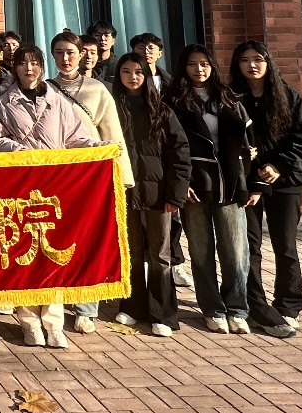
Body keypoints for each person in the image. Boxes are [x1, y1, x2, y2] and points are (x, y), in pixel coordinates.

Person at [0, 43, 97, 349]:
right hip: (20, 187)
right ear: (15, 68)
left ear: (42, 66)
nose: (29, 68)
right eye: (23, 63)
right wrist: (18, 150)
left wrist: (96, 147)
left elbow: (76, 136)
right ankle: (29, 322)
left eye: (34, 62)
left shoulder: (58, 101)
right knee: (24, 253)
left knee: (53, 253)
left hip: (54, 187)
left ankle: (53, 323)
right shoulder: (3, 103)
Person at [229, 40, 302, 339]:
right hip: (246, 182)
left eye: (258, 59)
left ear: (268, 62)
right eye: (245, 60)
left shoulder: (288, 96)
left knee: (285, 246)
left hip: (285, 182)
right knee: (249, 247)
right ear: (237, 64)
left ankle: (288, 305)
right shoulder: (231, 97)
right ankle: (254, 304)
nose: (252, 65)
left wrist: (279, 165)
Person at [163, 45, 256, 336]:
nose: (199, 69)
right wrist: (182, 184)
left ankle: (237, 308)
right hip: (195, 184)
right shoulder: (173, 100)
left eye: (204, 64)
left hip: (230, 184)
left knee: (236, 251)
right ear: (184, 67)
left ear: (212, 66)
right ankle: (212, 309)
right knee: (201, 252)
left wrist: (251, 182)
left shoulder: (229, 98)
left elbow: (249, 143)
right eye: (192, 64)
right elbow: (167, 148)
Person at [47, 29, 133, 333]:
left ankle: (86, 308)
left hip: (90, 176)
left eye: (70, 52)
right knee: (59, 239)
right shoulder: (45, 89)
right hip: (58, 175)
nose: (65, 58)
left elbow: (112, 133)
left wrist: (121, 175)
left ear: (81, 54)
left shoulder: (97, 90)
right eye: (59, 52)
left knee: (87, 239)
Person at [110, 53, 190, 339]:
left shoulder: (162, 111)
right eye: (126, 72)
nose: (132, 77)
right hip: (125, 192)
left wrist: (176, 195)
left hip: (159, 194)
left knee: (160, 255)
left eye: (138, 72)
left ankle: (163, 314)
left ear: (146, 76)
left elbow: (180, 153)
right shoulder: (113, 110)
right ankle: (133, 307)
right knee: (130, 252)